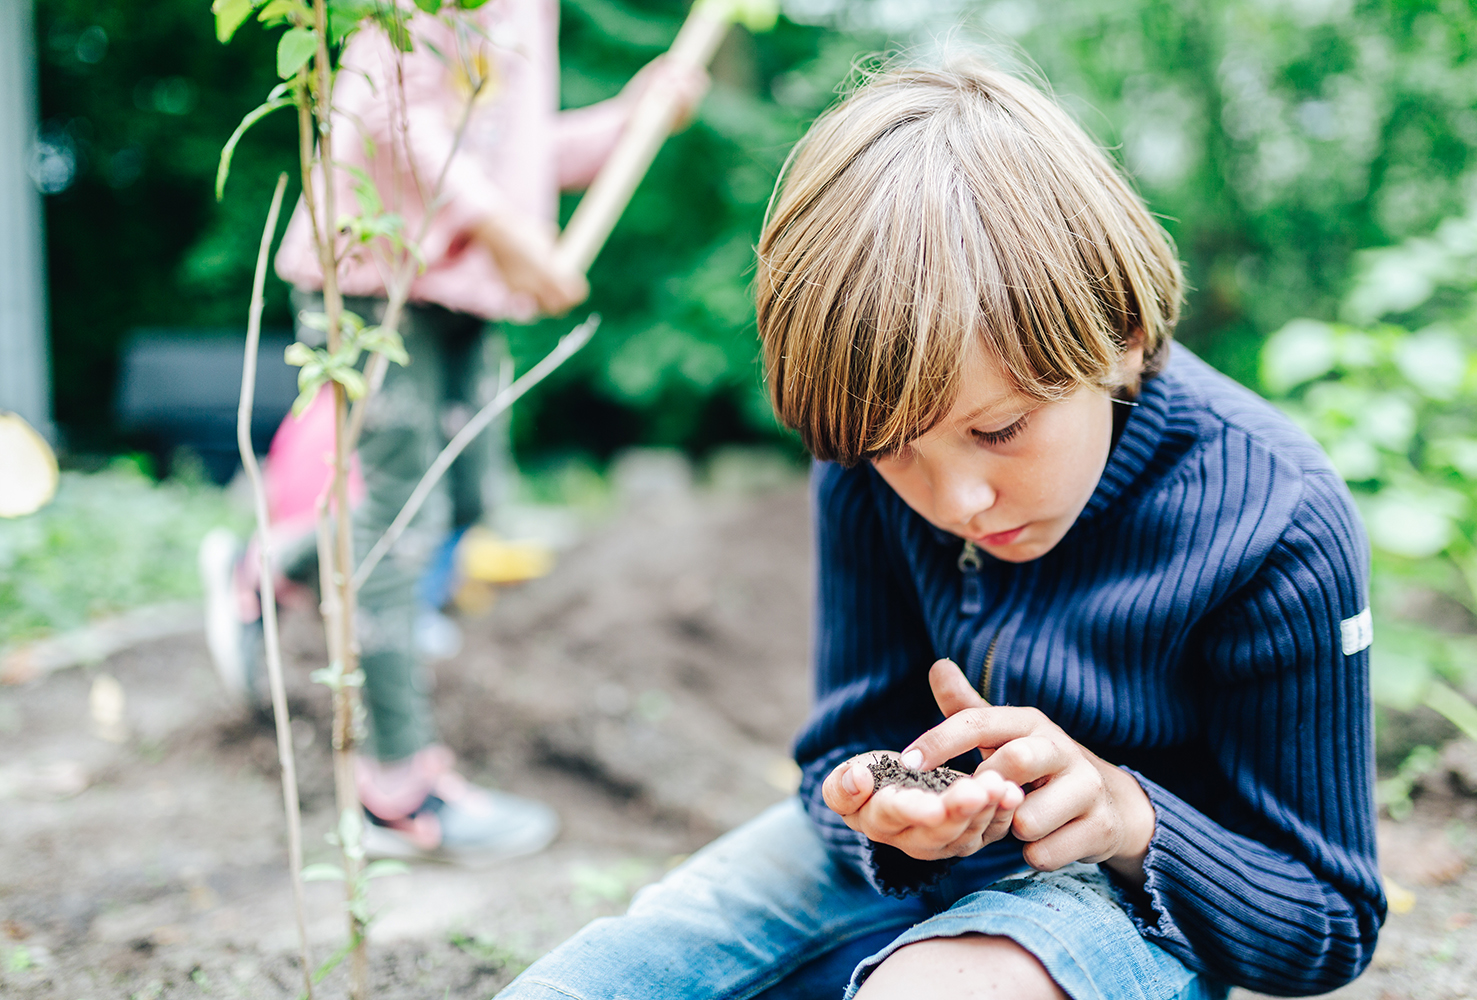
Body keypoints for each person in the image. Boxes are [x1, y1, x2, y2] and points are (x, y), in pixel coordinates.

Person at [493, 61, 1385, 999]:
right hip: (895, 877)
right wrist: (885, 810)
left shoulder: (1275, 522)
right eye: (893, 450)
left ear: (1121, 334)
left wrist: (1128, 817)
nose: (955, 501)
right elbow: (845, 751)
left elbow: (1327, 916)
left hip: (1127, 903)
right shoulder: (863, 453)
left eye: (1000, 430)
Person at [199, 1, 704, 864]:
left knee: (469, 497)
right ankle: (396, 795)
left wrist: (629, 119)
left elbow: (508, 149)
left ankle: (270, 565)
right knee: (401, 525)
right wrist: (505, 233)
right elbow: (392, 113)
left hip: (460, 293)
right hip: (372, 274)